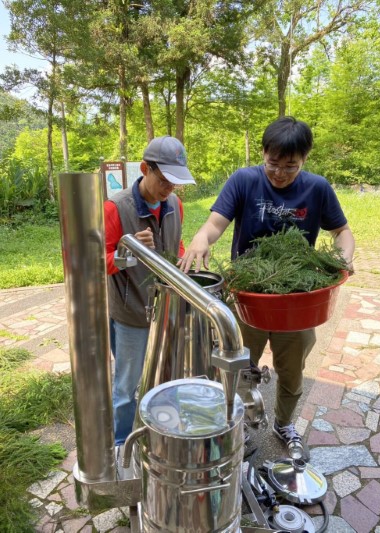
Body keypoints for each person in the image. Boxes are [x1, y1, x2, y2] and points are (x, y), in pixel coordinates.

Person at [178, 116, 355, 455]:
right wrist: (202, 238)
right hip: (248, 296)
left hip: (298, 299)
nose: (279, 173)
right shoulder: (244, 180)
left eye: (290, 167)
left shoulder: (317, 188)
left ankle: (284, 422)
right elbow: (216, 223)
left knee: (292, 371)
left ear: (304, 159)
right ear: (263, 153)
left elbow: (342, 232)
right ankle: (238, 425)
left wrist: (344, 256)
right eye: (273, 164)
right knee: (238, 367)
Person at [104, 135, 196, 469]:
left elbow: (178, 244)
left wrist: (186, 260)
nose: (170, 187)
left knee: (165, 376)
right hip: (130, 312)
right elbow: (97, 260)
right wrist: (126, 253)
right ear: (145, 169)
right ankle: (120, 444)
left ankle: (158, 432)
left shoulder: (175, 206)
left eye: (176, 181)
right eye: (164, 179)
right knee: (127, 385)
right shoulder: (116, 207)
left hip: (166, 309)